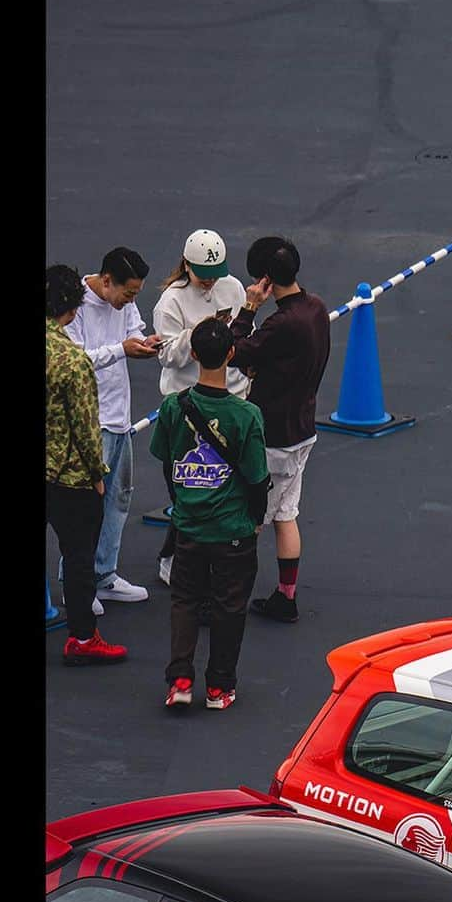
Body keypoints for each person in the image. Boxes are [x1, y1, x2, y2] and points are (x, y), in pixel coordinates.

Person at [150, 318, 269, 711]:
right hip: (233, 528)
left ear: (194, 354)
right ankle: (219, 688)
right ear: (231, 354)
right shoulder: (246, 414)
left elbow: (167, 461)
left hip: (189, 525)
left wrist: (181, 501)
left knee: (184, 600)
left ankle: (180, 680)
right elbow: (255, 476)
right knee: (229, 606)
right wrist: (256, 518)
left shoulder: (173, 406)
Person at [229, 236, 331, 624]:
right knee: (286, 514)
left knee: (249, 518)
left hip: (272, 437)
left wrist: (248, 308)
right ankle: (285, 596)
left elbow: (234, 351)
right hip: (303, 428)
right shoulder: (317, 308)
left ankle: (231, 596)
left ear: (265, 279)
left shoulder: (279, 323)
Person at [151, 229, 251, 586]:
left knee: (223, 489)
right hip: (187, 406)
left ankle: (204, 560)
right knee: (186, 490)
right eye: (203, 275)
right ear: (186, 266)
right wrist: (200, 334)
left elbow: (242, 333)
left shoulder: (232, 287)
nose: (210, 282)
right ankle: (172, 559)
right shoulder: (171, 303)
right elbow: (166, 356)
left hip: (229, 399)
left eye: (215, 274)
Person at [65, 246, 160, 608]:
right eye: (129, 293)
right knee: (87, 507)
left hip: (120, 418)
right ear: (106, 281)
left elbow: (133, 328)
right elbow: (74, 360)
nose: (131, 300)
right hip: (90, 420)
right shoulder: (73, 304)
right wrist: (122, 349)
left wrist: (145, 340)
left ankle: (104, 575)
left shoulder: (124, 301)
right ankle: (81, 583)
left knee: (118, 500)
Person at [46, 265, 127, 667]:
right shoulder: (71, 361)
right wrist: (98, 475)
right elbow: (85, 425)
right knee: (78, 558)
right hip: (67, 477)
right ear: (73, 309)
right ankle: (81, 638)